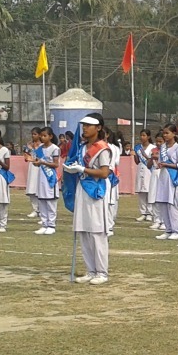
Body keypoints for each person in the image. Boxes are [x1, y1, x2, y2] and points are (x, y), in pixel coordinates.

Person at [66, 113, 115, 285]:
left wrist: (83, 170)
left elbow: (104, 172)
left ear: (98, 128)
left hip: (95, 191)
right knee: (84, 231)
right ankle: (90, 270)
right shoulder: (81, 147)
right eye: (84, 125)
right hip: (82, 189)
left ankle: (101, 272)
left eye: (89, 125)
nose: (85, 128)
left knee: (96, 232)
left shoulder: (103, 148)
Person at [152, 124, 178, 240]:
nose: (165, 135)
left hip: (172, 178)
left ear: (174, 133)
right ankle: (168, 229)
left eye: (167, 133)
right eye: (164, 133)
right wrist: (159, 164)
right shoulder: (163, 147)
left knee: (172, 205)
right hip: (163, 177)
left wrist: (166, 164)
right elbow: (161, 161)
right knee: (163, 203)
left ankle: (176, 231)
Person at [30, 127, 61, 235]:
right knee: (42, 201)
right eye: (41, 136)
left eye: (45, 136)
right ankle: (44, 224)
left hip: (50, 177)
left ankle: (51, 225)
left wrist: (43, 163)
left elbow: (56, 164)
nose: (42, 138)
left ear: (50, 136)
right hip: (41, 177)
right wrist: (35, 162)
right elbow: (37, 162)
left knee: (50, 202)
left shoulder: (55, 148)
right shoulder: (39, 148)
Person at [133, 130, 157, 224]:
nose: (142, 137)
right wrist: (134, 155)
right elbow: (137, 161)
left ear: (148, 137)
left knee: (149, 191)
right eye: (141, 135)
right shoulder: (137, 147)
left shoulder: (153, 148)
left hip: (149, 170)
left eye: (144, 135)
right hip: (140, 169)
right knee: (141, 192)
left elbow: (153, 161)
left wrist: (145, 155)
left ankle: (150, 213)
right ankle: (143, 212)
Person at [24, 128, 41, 220]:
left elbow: (41, 157)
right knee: (31, 189)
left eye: (35, 134)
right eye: (32, 134)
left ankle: (41, 210)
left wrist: (33, 149)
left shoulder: (42, 145)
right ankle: (35, 209)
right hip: (32, 167)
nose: (33, 136)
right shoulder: (29, 144)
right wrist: (27, 153)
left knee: (39, 189)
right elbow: (26, 157)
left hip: (40, 168)